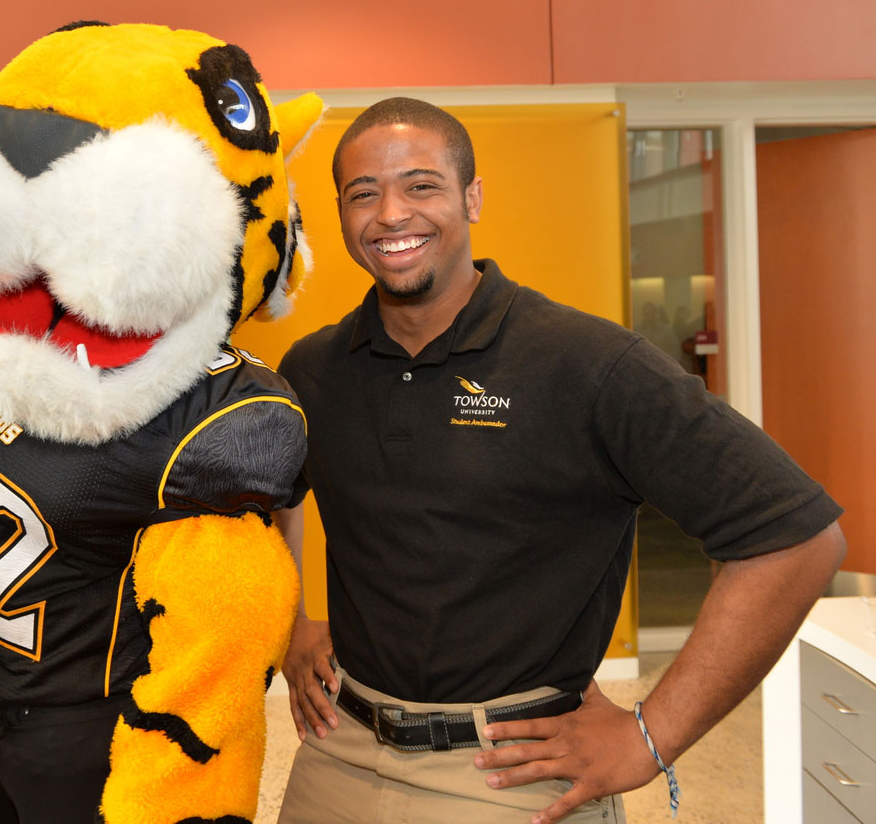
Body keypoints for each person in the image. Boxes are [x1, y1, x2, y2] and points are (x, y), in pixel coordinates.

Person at [275, 98, 846, 823]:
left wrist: (649, 734)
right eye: (364, 193)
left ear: (472, 196)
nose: (391, 213)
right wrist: (291, 622)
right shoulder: (315, 367)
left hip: (510, 773)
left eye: (421, 185)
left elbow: (796, 536)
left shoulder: (589, 364)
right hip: (338, 754)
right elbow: (272, 489)